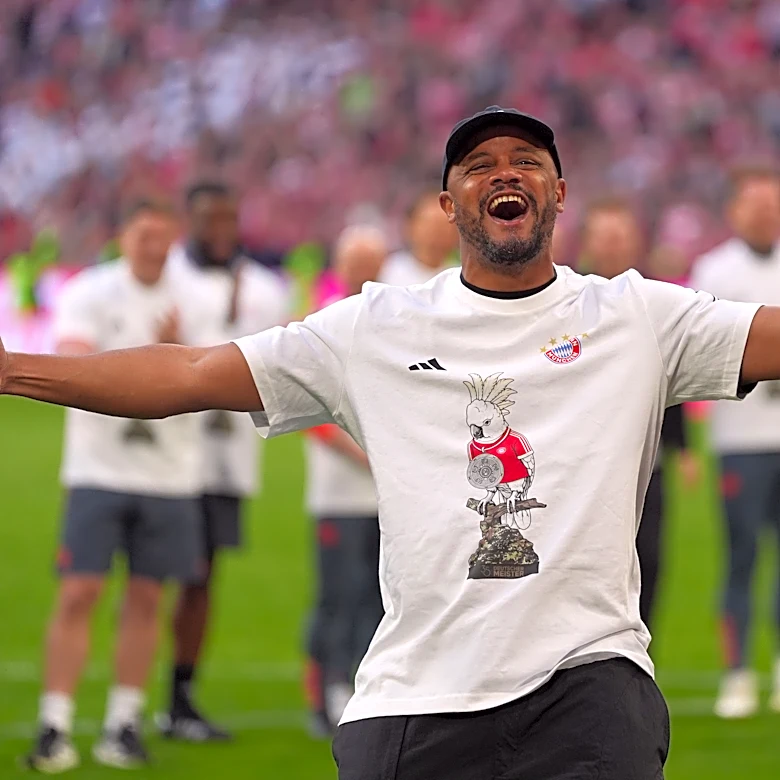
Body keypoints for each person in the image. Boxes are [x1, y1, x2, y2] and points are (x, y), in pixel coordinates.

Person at [6, 106, 780, 778]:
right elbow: (191, 375)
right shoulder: (376, 326)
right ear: (450, 204)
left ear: (558, 193)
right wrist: (12, 369)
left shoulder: (636, 315)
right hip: (415, 695)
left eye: (527, 163)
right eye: (479, 166)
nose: (504, 174)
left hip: (589, 689)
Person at [24, 200, 206, 772]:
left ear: (174, 237)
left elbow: (217, 368)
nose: (153, 246)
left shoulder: (194, 295)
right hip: (98, 470)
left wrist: (177, 355)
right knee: (79, 592)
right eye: (143, 234)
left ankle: (123, 722)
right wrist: (156, 362)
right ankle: (54, 723)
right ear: (123, 236)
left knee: (149, 598)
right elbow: (72, 358)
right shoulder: (90, 291)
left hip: (170, 474)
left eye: (162, 235)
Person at [159, 181, 289, 741]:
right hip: (165, 455)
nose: (220, 229)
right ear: (190, 218)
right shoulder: (166, 276)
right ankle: (129, 704)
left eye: (228, 218)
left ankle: (180, 698)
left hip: (225, 460)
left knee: (202, 576)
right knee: (147, 579)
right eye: (209, 217)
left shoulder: (264, 286)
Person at [579, 197, 700, 631]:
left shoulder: (656, 304)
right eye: (604, 237)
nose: (613, 246)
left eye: (621, 237)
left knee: (648, 560)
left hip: (645, 465)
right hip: (580, 466)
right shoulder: (563, 302)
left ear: (635, 243)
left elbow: (675, 377)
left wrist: (681, 448)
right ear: (589, 243)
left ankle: (638, 653)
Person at [689, 164, 780, 719]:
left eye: (771, 203)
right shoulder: (714, 270)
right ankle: (739, 672)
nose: (765, 213)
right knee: (741, 556)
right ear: (734, 210)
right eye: (755, 204)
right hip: (741, 441)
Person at [304, 226, 386, 737]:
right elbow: (314, 418)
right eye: (358, 262)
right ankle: (325, 689)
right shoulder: (323, 323)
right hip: (339, 491)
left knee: (376, 596)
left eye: (374, 262)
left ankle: (359, 683)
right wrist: (372, 454)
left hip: (385, 495)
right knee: (338, 594)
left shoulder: (388, 321)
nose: (367, 272)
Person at [378, 191, 458, 286]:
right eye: (431, 224)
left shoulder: (458, 277)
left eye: (444, 226)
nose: (438, 233)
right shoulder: (387, 271)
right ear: (410, 226)